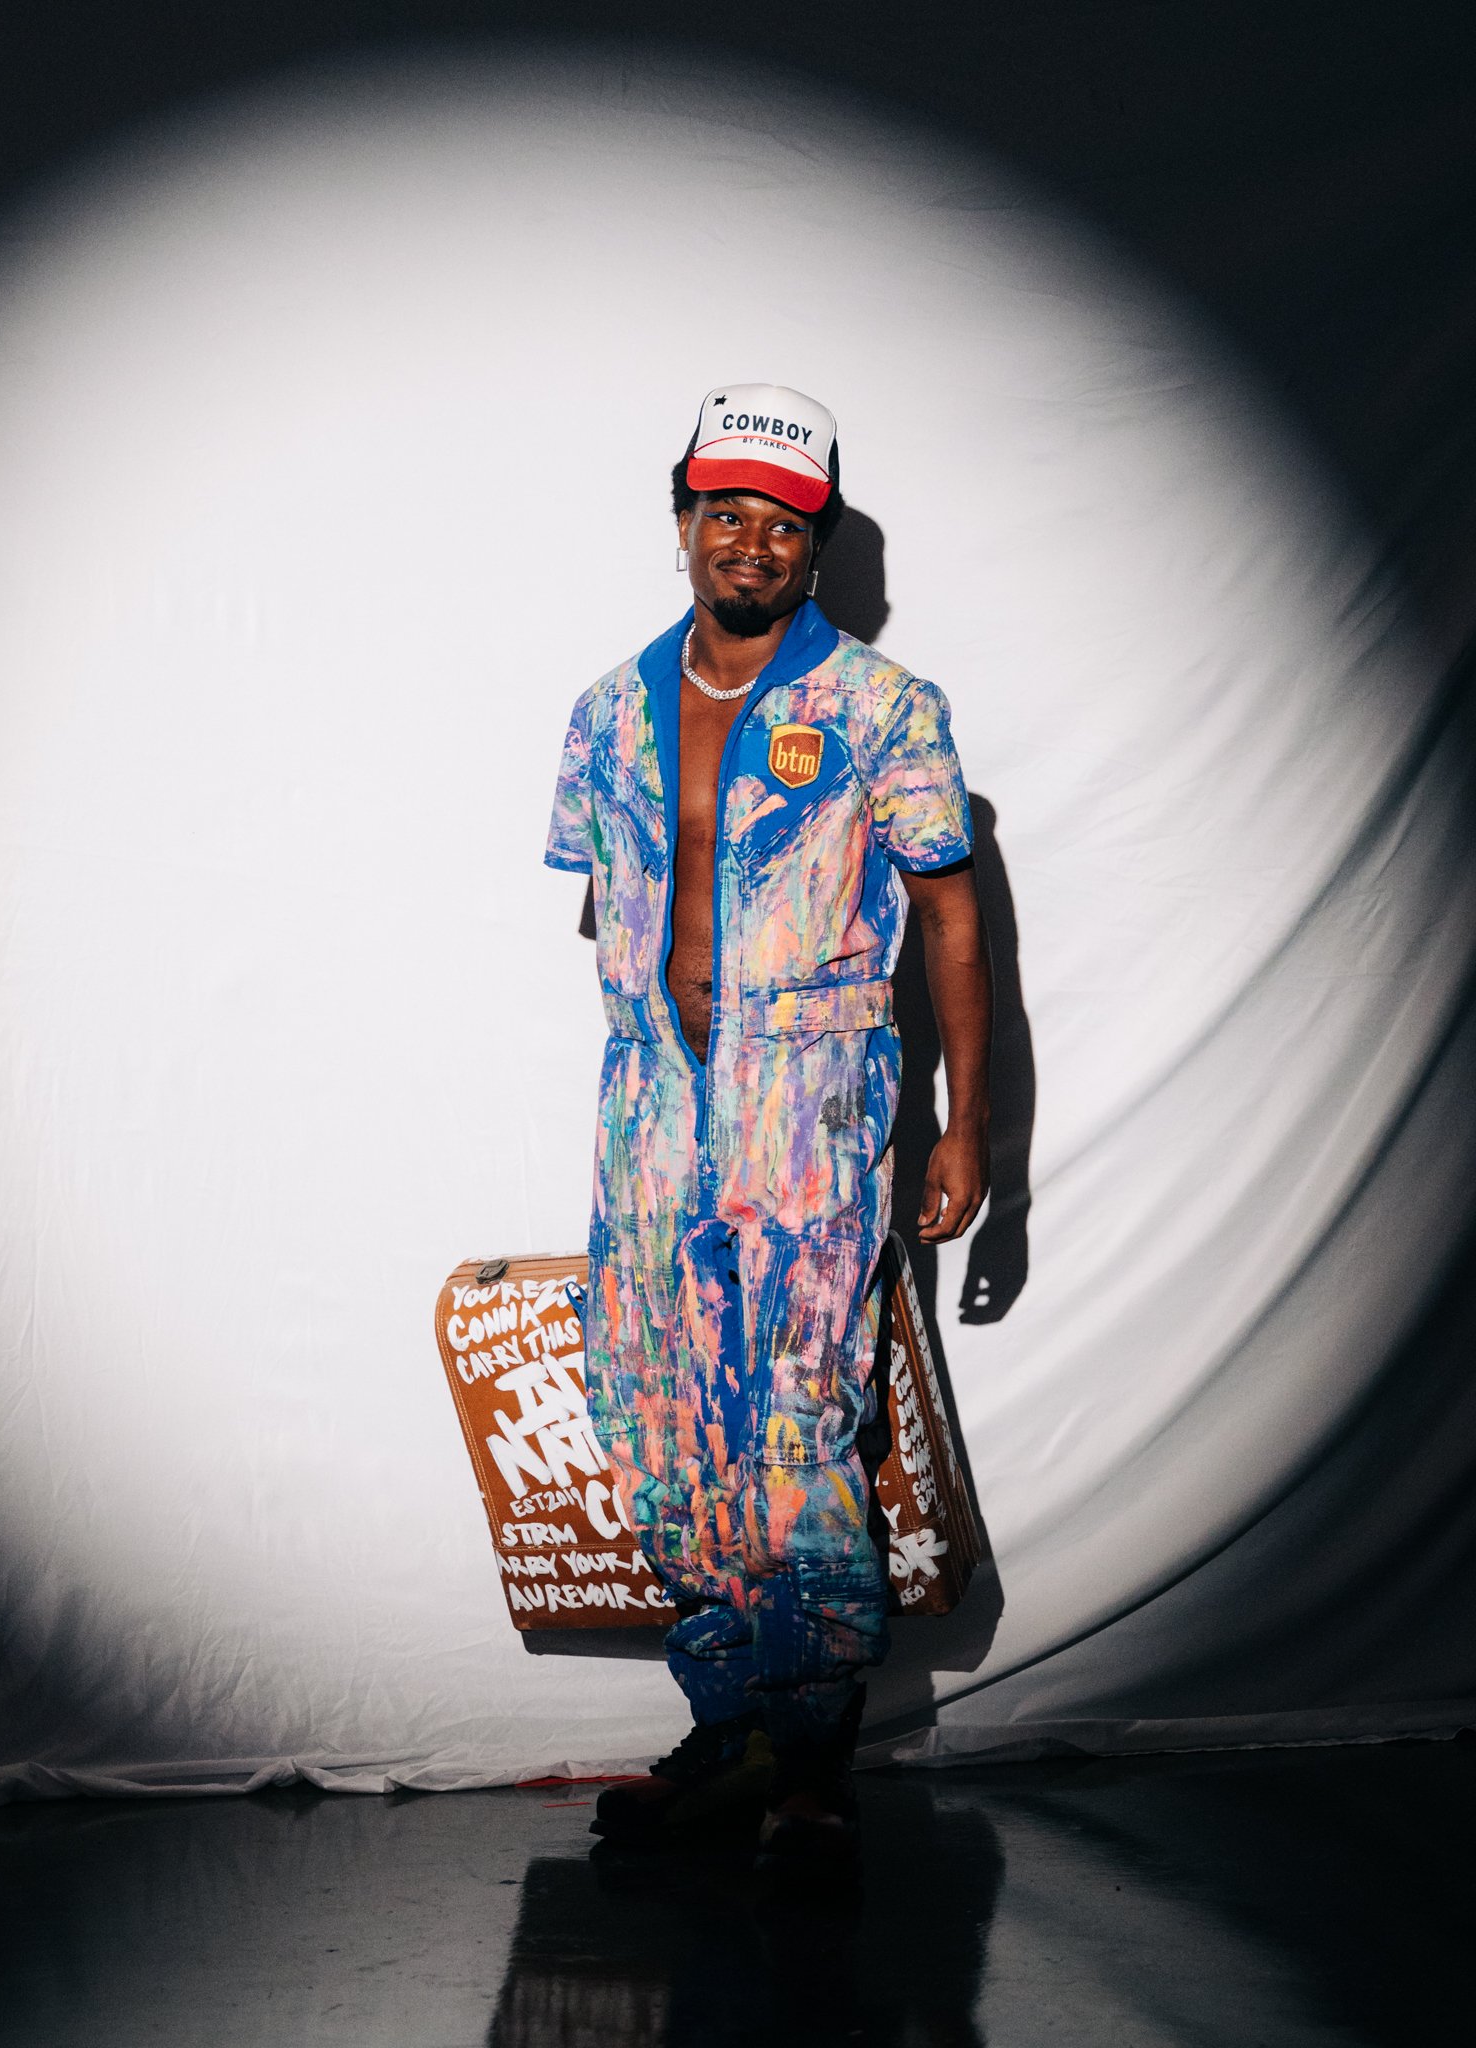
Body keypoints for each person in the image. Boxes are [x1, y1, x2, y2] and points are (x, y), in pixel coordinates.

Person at [545, 383, 991, 1874]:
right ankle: (724, 1725)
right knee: (654, 1406)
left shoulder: (882, 707)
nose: (749, 540)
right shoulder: (607, 710)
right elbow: (615, 907)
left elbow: (951, 914)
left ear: (817, 542)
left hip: (812, 1100)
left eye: (783, 522)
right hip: (651, 1104)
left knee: (799, 1411)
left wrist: (965, 1128)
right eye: (724, 510)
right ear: (681, 520)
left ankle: (810, 1761)